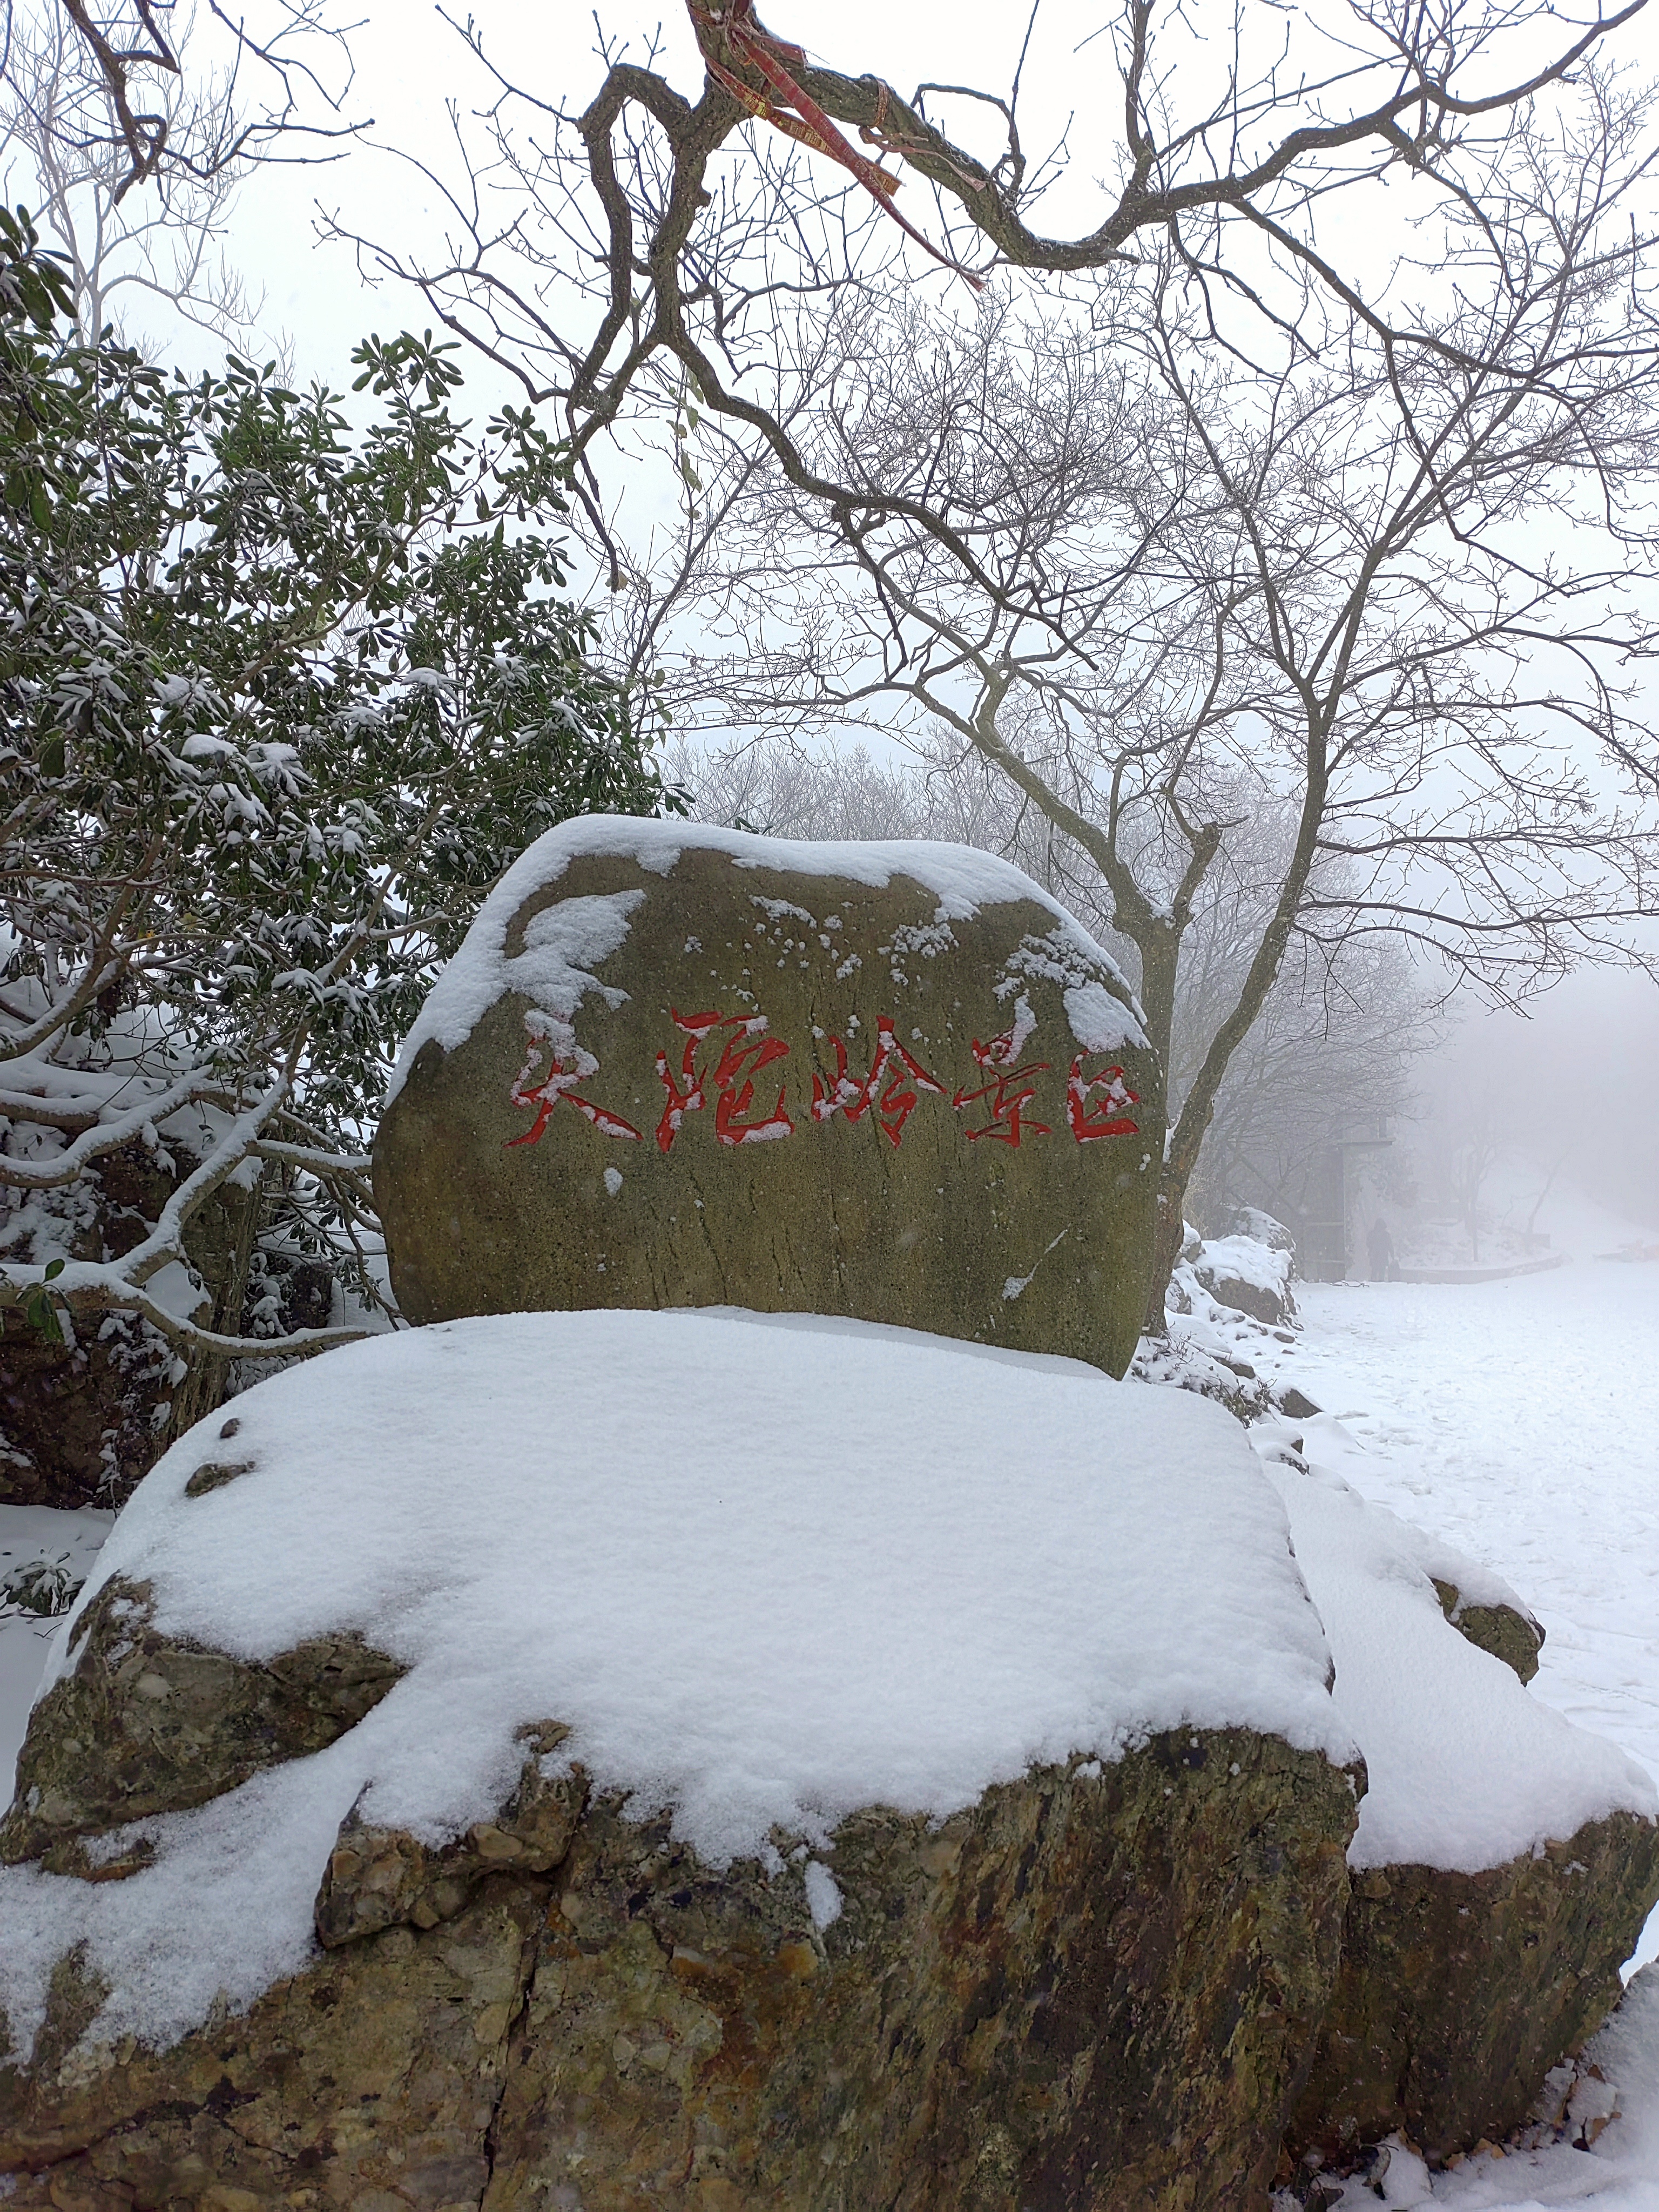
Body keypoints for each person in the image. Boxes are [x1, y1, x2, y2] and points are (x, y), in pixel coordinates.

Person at [1366, 1215, 1397, 1282]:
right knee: (1380, 1270)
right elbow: (1390, 1246)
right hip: (1381, 1255)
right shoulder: (1386, 1235)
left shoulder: (1372, 1234)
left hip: (1376, 1255)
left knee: (1375, 1270)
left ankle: (1374, 1281)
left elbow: (1368, 1244)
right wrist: (1392, 1254)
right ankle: (1380, 1282)